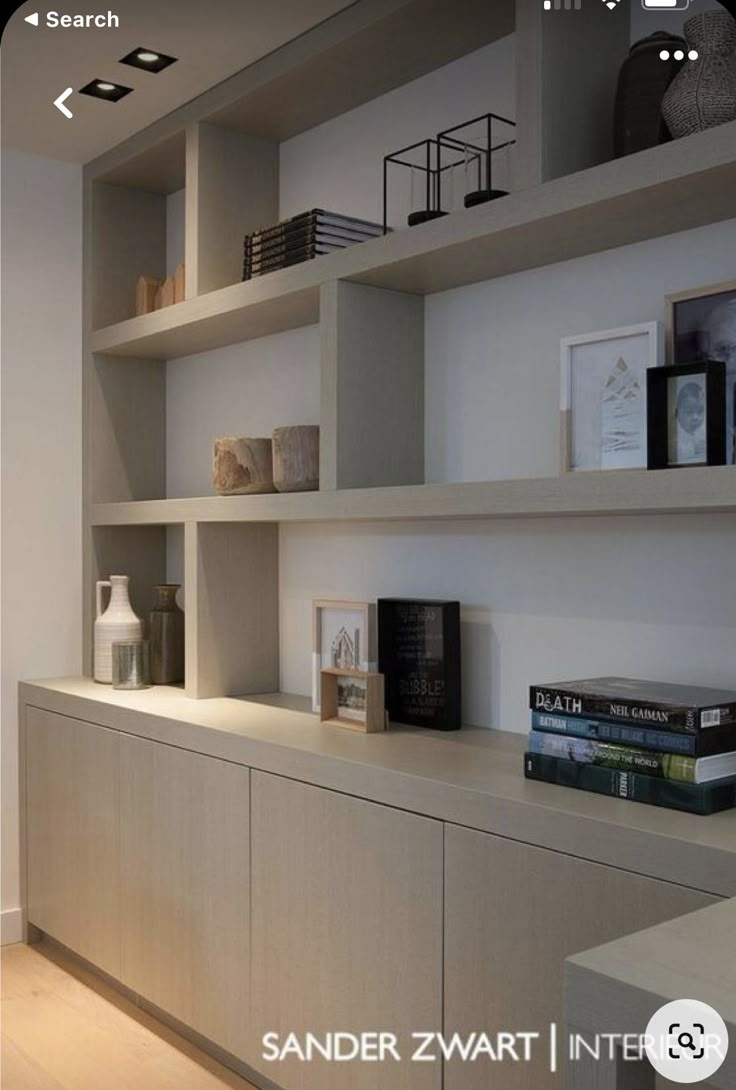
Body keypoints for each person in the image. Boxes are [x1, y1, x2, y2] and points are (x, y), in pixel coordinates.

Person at [671, 381, 706, 465]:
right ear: (677, 413)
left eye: (700, 411)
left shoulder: (702, 431)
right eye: (689, 412)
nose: (695, 417)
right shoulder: (674, 435)